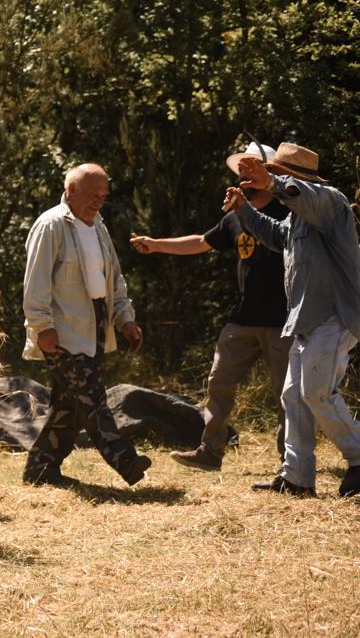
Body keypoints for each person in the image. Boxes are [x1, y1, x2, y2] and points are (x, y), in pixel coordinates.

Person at [130, 143, 290, 471]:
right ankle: (210, 451)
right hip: (243, 317)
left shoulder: (289, 210)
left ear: (269, 171)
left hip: (283, 318)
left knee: (286, 393)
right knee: (219, 380)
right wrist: (157, 244)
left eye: (252, 167)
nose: (244, 174)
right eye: (241, 169)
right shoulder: (234, 216)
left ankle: (291, 460)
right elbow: (202, 242)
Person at [223, 142, 360, 497]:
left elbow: (304, 195)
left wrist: (271, 183)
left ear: (289, 177)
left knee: (316, 392)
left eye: (278, 174)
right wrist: (243, 209)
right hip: (307, 320)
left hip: (334, 317)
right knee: (294, 397)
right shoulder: (297, 217)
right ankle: (297, 478)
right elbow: (273, 235)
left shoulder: (330, 201)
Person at [22, 163, 152, 487]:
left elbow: (114, 280)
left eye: (103, 195)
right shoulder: (50, 225)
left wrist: (126, 320)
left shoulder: (98, 227)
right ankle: (126, 461)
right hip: (62, 330)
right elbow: (35, 282)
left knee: (70, 402)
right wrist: (42, 326)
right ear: (71, 191)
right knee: (92, 399)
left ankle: (41, 468)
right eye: (93, 194)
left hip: (93, 325)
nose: (98, 201)